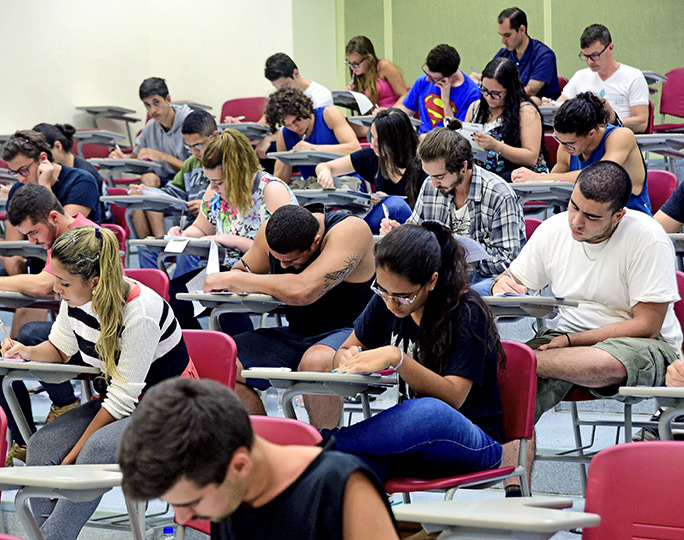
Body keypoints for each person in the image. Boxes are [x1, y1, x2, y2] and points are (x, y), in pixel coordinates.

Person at [492, 161, 681, 494]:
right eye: (573, 207)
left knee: (592, 361)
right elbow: (510, 279)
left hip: (640, 341)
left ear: (618, 216)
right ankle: (515, 493)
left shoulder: (647, 238)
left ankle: (519, 362)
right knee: (512, 388)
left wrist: (571, 340)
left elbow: (647, 325)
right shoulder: (553, 230)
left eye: (592, 217)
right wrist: (506, 288)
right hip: (565, 341)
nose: (577, 222)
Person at [1, 226, 193, 540]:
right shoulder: (75, 297)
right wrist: (26, 352)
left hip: (170, 409)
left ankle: (50, 537)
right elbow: (60, 349)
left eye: (63, 283)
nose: (56, 290)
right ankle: (53, 536)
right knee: (40, 447)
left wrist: (73, 455)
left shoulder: (140, 311)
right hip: (124, 405)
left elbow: (121, 401)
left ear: (96, 282)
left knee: (95, 452)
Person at [328, 222, 504, 482]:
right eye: (383, 290)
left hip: (473, 441)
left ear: (431, 281)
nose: (391, 303)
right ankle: (327, 450)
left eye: (404, 296)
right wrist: (348, 358)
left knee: (429, 411)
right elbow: (345, 347)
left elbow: (453, 398)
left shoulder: (467, 311)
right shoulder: (386, 300)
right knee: (346, 465)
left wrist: (396, 358)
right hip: (413, 440)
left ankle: (324, 441)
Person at [117, 378, 399, 540]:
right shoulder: (229, 487)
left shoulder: (340, 487)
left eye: (191, 502)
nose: (181, 518)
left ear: (239, 465)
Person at [202, 204, 375, 430]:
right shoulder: (269, 231)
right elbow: (240, 271)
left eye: (292, 262)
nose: (283, 266)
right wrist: (235, 279)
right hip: (297, 333)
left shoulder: (351, 230)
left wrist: (234, 279)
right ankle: (265, 442)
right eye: (277, 259)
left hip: (351, 334)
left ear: (315, 242)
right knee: (220, 360)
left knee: (316, 361)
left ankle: (321, 448)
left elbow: (303, 291)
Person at [0, 185, 97, 465]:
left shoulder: (84, 235)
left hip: (99, 336)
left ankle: (65, 402)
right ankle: (24, 441)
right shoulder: (60, 237)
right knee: (8, 357)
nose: (31, 241)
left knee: (29, 335)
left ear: (53, 217)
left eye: (33, 232)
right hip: (71, 329)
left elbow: (44, 286)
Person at [168, 129, 297, 333]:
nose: (213, 187)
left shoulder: (271, 190)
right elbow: (201, 228)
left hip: (268, 272)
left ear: (238, 174)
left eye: (218, 182)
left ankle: (239, 350)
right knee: (174, 293)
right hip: (230, 270)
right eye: (210, 181)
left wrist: (234, 241)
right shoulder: (214, 193)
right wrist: (182, 235)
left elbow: (285, 252)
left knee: (224, 292)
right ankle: (197, 350)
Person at [381, 126, 526, 297]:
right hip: (445, 274)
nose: (433, 183)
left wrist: (458, 255)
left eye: (440, 176)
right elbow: (416, 228)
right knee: (392, 285)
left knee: (455, 297)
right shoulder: (431, 185)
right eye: (430, 175)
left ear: (463, 167)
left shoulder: (499, 194)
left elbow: (508, 262)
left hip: (489, 277)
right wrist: (399, 234)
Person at [511, 92, 651, 215]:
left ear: (591, 134)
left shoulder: (621, 136)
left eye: (570, 144)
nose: (564, 148)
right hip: (587, 222)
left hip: (629, 219)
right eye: (559, 140)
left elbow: (599, 176)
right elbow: (551, 184)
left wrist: (538, 178)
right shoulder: (566, 147)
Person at [132, 110, 216, 274]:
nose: (194, 152)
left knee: (187, 249)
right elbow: (174, 193)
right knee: (147, 248)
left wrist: (208, 206)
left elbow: (239, 200)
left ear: (215, 136)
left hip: (217, 230)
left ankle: (179, 298)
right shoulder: (192, 163)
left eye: (198, 145)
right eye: (189, 147)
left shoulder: (230, 160)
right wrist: (149, 192)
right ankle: (157, 297)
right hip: (191, 228)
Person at [315, 108, 426, 232]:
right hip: (385, 225)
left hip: (417, 228)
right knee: (333, 219)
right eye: (372, 137)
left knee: (395, 205)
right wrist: (325, 172)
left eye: (380, 141)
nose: (373, 144)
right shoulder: (371, 156)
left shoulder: (423, 164)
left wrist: (388, 200)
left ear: (397, 140)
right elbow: (325, 166)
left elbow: (426, 214)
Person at [225, 53, 334, 159]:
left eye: (285, 85)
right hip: (281, 140)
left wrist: (270, 138)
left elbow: (306, 130)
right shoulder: (281, 97)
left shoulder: (320, 95)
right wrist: (240, 127)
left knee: (262, 153)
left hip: (304, 143)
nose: (282, 90)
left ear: (295, 74)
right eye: (277, 87)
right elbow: (263, 125)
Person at [555, 24, 649, 134]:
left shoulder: (633, 76)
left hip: (618, 138)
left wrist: (603, 124)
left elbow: (641, 123)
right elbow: (559, 107)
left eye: (595, 55)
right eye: (585, 56)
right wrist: (550, 105)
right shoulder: (580, 76)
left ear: (610, 48)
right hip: (584, 141)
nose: (589, 61)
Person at [466, 57, 547, 181]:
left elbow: (531, 158)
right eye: (485, 91)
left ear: (510, 90)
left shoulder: (525, 111)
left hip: (517, 177)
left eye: (496, 93)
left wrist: (496, 146)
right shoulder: (475, 108)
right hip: (481, 176)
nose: (488, 97)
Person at [265, 87, 361, 183]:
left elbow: (355, 149)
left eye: (297, 120)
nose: (294, 128)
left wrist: (313, 149)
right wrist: (287, 159)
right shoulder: (284, 134)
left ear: (305, 110)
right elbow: (280, 182)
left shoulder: (329, 114)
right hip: (313, 189)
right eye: (287, 124)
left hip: (348, 181)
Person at [109, 77, 191, 186]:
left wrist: (164, 157)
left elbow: (198, 170)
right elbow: (135, 161)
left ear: (168, 100)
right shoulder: (150, 127)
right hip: (167, 180)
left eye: (156, 102)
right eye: (147, 105)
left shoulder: (190, 122)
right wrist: (121, 159)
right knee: (148, 179)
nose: (153, 110)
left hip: (191, 182)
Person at [32, 122, 110, 222]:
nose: (41, 159)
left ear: (58, 146)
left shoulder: (84, 176)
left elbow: (65, 225)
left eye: (44, 153)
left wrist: (45, 187)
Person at [397, 44, 480, 137]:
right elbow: (406, 111)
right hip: (422, 141)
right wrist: (389, 114)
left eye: (433, 78)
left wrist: (446, 100)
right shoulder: (423, 81)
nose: (427, 79)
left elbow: (456, 136)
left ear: (450, 76)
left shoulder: (472, 93)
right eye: (426, 73)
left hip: (446, 145)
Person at [481, 7, 560, 101]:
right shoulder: (503, 54)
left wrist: (500, 95)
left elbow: (530, 90)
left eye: (507, 35)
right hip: (509, 109)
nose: (503, 41)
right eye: (501, 35)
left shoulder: (545, 56)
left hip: (540, 111)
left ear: (522, 30)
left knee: (534, 99)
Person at [345, 36, 407, 109]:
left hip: (392, 115)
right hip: (375, 117)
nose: (352, 68)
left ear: (369, 58)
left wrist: (390, 111)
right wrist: (352, 97)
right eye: (350, 63)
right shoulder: (360, 76)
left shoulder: (384, 66)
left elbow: (404, 96)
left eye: (356, 64)